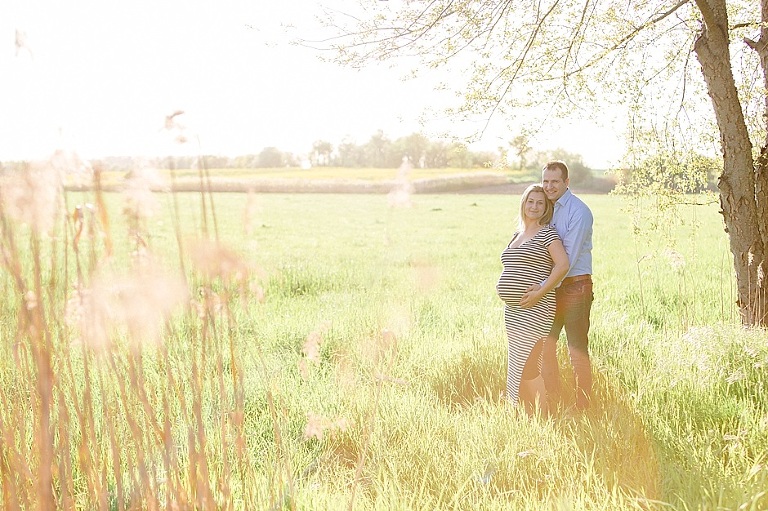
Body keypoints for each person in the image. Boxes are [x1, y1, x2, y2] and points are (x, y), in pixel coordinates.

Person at [496, 184, 569, 416]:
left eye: (540, 202)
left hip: (536, 308)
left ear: (546, 207)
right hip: (514, 311)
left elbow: (563, 265)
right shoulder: (516, 235)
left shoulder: (547, 233)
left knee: (528, 364)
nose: (535, 206)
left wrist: (540, 291)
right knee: (520, 362)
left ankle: (543, 414)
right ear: (524, 204)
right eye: (531, 201)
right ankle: (527, 412)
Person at [528, 160, 594, 411]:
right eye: (545, 181)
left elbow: (567, 259)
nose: (549, 186)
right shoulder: (546, 208)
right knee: (546, 345)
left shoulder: (579, 212)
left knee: (576, 350)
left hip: (575, 287)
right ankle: (552, 399)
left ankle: (583, 406)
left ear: (567, 182)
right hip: (551, 289)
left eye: (555, 181)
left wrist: (541, 289)